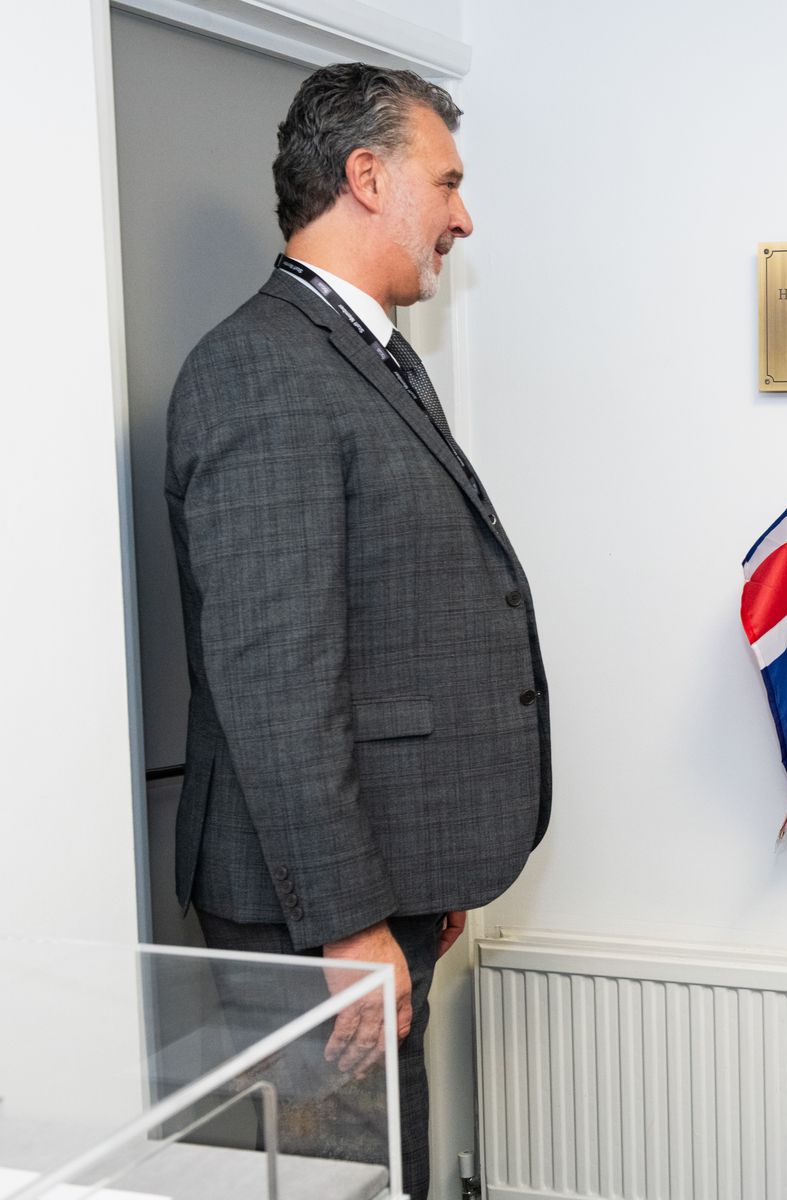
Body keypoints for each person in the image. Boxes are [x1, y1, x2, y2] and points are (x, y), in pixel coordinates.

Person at [165, 63, 550, 1199]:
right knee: (346, 1182)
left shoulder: (367, 354)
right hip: (313, 917)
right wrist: (343, 925)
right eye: (450, 183)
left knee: (391, 1172)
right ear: (367, 176)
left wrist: (429, 868)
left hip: (380, 889)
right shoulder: (262, 371)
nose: (463, 216)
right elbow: (277, 676)